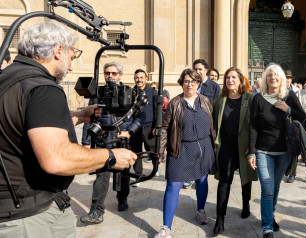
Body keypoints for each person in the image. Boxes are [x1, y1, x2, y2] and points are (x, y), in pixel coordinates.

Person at [0, 21, 136, 237]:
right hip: (28, 214)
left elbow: (24, 125)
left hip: (19, 204)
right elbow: (57, 159)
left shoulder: (10, 78)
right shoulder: (44, 88)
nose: (72, 66)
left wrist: (79, 116)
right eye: (73, 57)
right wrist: (110, 156)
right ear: (58, 50)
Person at [155, 69, 216, 238]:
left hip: (203, 147)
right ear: (182, 83)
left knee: (202, 181)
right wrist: (160, 152)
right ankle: (166, 227)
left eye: (193, 81)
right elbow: (165, 128)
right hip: (180, 149)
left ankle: (201, 210)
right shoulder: (175, 103)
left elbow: (213, 124)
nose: (190, 84)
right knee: (173, 185)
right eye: (186, 81)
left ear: (198, 84)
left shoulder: (205, 101)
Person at [248, 63, 305, 238]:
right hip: (263, 151)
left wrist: (288, 109)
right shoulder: (258, 99)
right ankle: (267, 227)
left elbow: (302, 116)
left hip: (284, 151)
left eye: (276, 75)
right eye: (269, 75)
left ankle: (270, 214)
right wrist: (251, 152)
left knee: (275, 185)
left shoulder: (288, 96)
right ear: (265, 78)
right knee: (267, 188)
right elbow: (253, 127)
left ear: (281, 78)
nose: (273, 77)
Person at [80, 62, 139, 223]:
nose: (110, 76)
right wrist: (86, 140)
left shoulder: (130, 92)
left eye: (113, 73)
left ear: (120, 75)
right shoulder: (98, 92)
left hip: (122, 140)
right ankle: (96, 210)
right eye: (107, 73)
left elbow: (140, 118)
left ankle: (122, 197)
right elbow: (88, 119)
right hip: (103, 140)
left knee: (124, 173)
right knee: (101, 175)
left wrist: (129, 131)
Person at [212, 67, 257, 235]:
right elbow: (211, 117)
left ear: (240, 80)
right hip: (226, 145)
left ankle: (246, 205)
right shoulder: (220, 99)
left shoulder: (250, 99)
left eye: (233, 77)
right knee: (225, 180)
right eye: (227, 78)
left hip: (245, 146)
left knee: (246, 178)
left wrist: (252, 147)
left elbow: (255, 124)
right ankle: (220, 218)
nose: (230, 80)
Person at [182, 59, 220, 189]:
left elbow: (215, 108)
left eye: (200, 69)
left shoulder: (214, 86)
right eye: (195, 69)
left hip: (205, 126)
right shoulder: (190, 84)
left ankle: (200, 177)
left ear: (206, 70)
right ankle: (188, 177)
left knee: (201, 156)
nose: (197, 71)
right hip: (190, 125)